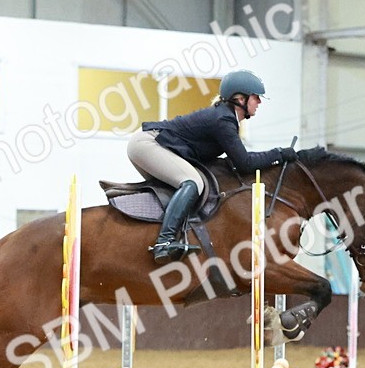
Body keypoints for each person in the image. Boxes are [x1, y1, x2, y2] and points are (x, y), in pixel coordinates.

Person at [127, 69, 297, 264]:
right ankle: (164, 242)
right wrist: (279, 154)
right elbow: (245, 163)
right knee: (192, 182)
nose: (259, 102)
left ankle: (161, 237)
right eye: (256, 97)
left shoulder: (226, 118)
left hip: (150, 144)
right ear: (240, 99)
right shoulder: (224, 120)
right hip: (147, 144)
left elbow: (235, 162)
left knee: (187, 186)